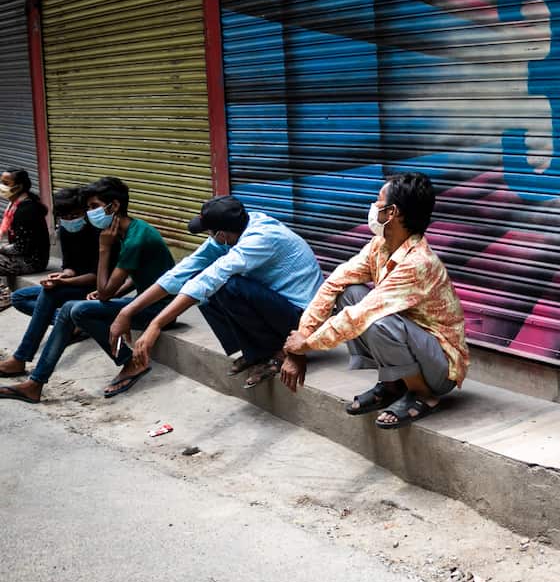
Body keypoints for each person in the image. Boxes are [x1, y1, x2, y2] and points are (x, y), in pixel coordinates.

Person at [281, 172, 468, 431]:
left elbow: (364, 314)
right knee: (348, 293)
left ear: (393, 213)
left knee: (375, 319)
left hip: (439, 366)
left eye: (378, 202)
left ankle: (422, 394)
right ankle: (392, 385)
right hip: (413, 343)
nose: (373, 207)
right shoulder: (379, 246)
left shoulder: (418, 262)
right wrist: (301, 337)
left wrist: (307, 345)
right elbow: (334, 283)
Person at [104, 195, 325, 391]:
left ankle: (277, 352)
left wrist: (156, 324)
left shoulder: (260, 239)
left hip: (304, 319)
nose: (208, 237)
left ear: (221, 234)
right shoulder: (239, 227)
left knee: (228, 286)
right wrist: (128, 310)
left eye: (209, 232)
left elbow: (210, 278)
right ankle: (256, 352)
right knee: (206, 291)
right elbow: (185, 270)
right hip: (281, 306)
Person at [0, 176, 174, 403]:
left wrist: (104, 249)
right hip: (147, 300)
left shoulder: (131, 238)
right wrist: (116, 293)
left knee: (78, 310)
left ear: (114, 206)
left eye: (94, 207)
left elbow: (104, 292)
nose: (90, 213)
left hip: (160, 310)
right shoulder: (128, 229)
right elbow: (143, 275)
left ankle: (130, 362)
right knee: (71, 309)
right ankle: (35, 383)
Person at [0, 186, 111, 378]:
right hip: (75, 284)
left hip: (95, 288)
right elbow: (69, 265)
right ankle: (77, 324)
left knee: (51, 293)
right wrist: (63, 276)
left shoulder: (99, 233)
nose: (70, 221)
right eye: (65, 217)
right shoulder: (66, 232)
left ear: (85, 211)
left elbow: (97, 276)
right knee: (19, 298)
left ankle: (21, 358)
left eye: (75, 215)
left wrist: (65, 283)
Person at [0, 168, 50, 307]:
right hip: (26, 255)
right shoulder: (15, 204)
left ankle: (3, 297)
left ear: (19, 186)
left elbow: (21, 247)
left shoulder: (26, 210)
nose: (2, 186)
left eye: (6, 183)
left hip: (32, 261)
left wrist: (1, 248)